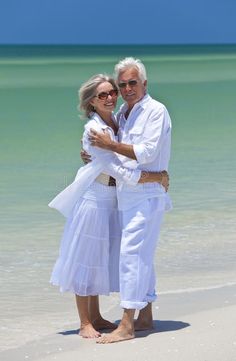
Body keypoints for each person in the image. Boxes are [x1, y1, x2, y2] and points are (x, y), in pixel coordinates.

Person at [49, 74, 169, 339]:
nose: (110, 97)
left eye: (112, 92)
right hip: (94, 199)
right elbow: (114, 167)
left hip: (113, 199)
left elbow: (127, 153)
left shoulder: (118, 121)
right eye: (102, 95)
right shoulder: (95, 129)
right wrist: (154, 177)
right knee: (86, 257)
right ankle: (84, 322)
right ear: (92, 101)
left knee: (100, 257)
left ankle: (97, 315)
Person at [87, 58, 172, 344]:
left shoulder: (156, 111)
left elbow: (146, 153)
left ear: (144, 83)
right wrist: (92, 154)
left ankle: (126, 324)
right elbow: (114, 155)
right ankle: (145, 315)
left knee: (131, 256)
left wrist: (109, 146)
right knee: (142, 255)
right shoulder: (124, 111)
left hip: (145, 197)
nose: (126, 89)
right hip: (129, 196)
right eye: (121, 84)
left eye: (132, 83)